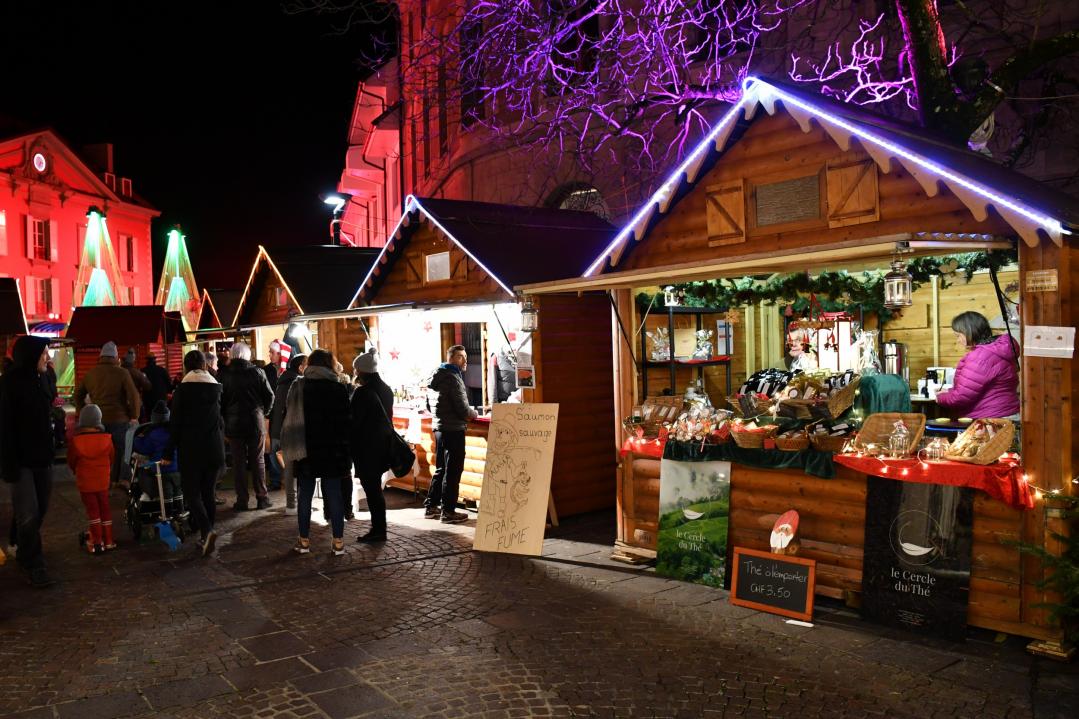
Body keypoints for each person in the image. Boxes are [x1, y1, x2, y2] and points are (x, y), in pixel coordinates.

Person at [0, 335, 57, 586]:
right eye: (44, 353)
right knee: (30, 513)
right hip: (20, 460)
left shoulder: (42, 378)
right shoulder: (9, 383)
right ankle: (32, 562)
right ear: (32, 355)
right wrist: (8, 463)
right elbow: (4, 426)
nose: (48, 357)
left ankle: (19, 537)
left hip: (42, 457)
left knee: (40, 508)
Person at [285, 349, 351, 556]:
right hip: (332, 450)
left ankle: (304, 542)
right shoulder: (338, 388)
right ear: (329, 364)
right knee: (334, 494)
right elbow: (346, 422)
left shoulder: (298, 386)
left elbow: (289, 414)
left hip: (305, 448)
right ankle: (338, 543)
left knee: (305, 495)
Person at [167, 350, 226, 556]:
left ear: (185, 367)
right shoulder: (216, 388)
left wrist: (168, 451)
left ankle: (207, 531)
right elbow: (220, 421)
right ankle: (205, 536)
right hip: (213, 448)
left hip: (191, 450)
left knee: (192, 494)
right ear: (204, 365)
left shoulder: (182, 391)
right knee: (208, 493)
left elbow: (175, 424)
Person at [75, 341, 141, 489]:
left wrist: (83, 412)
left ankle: (106, 480)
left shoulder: (91, 374)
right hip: (120, 419)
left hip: (98, 421)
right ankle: (123, 479)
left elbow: (78, 394)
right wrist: (134, 415)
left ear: (101, 356)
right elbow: (133, 396)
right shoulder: (122, 372)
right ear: (116, 357)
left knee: (103, 453)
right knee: (123, 449)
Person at [424, 345, 477, 524]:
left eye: (465, 356)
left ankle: (431, 506)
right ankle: (448, 512)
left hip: (439, 428)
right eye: (461, 357)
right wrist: (474, 414)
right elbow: (463, 410)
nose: (465, 360)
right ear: (452, 358)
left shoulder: (436, 376)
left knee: (441, 468)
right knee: (453, 470)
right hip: (453, 429)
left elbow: (429, 407)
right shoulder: (453, 378)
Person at [935, 311, 1021, 420]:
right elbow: (982, 389)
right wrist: (949, 392)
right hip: (1006, 414)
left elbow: (961, 397)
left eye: (958, 336)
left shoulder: (980, 357)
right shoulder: (996, 350)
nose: (958, 340)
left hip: (990, 420)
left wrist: (940, 397)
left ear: (969, 332)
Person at [220, 341, 274, 511]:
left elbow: (220, 402)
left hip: (233, 423)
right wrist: (263, 411)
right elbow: (270, 396)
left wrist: (225, 419)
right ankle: (262, 497)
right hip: (254, 421)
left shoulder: (224, 375)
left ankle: (242, 500)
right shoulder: (258, 372)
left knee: (238, 463)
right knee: (258, 460)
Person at [350, 349, 394, 543]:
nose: (355, 374)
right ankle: (378, 528)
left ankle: (378, 530)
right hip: (382, 446)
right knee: (375, 489)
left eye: (356, 370)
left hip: (367, 447)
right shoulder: (386, 389)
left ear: (363, 371)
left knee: (372, 490)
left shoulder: (363, 392)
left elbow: (355, 422)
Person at [67, 404, 115, 554]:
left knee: (93, 510)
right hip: (102, 482)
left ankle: (97, 542)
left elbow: (71, 461)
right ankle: (108, 541)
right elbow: (112, 458)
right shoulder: (107, 439)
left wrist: (77, 471)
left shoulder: (75, 442)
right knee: (105, 508)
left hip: (85, 482)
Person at [269, 353, 307, 514]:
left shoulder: (282, 381)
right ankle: (294, 503)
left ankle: (291, 503)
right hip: (290, 430)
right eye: (307, 365)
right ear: (300, 367)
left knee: (289, 468)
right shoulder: (296, 383)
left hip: (278, 429)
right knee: (294, 468)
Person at [132, 402, 182, 515]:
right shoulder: (174, 430)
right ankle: (180, 512)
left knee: (167, 493)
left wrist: (139, 438)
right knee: (178, 490)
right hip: (178, 468)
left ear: (154, 418)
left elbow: (143, 448)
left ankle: (168, 515)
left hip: (162, 470)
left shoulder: (152, 433)